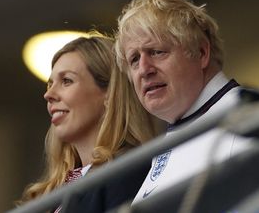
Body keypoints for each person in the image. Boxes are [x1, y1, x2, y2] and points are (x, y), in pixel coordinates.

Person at [114, 0, 255, 203]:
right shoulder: (170, 142)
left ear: (201, 53)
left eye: (156, 52)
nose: (144, 69)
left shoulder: (251, 115)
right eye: (134, 59)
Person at [19, 33, 158, 212]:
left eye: (66, 81)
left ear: (110, 93)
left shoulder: (127, 170)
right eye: (50, 84)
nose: (49, 95)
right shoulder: (58, 188)